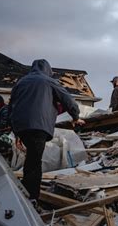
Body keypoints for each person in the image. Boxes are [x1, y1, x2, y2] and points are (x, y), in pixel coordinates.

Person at [10, 59, 84, 200]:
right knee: (34, 162)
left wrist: (16, 131)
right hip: (39, 127)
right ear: (48, 70)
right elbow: (68, 100)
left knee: (31, 159)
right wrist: (76, 117)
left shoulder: (21, 82)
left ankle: (26, 192)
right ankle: (31, 197)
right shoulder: (48, 81)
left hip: (22, 127)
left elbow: (11, 106)